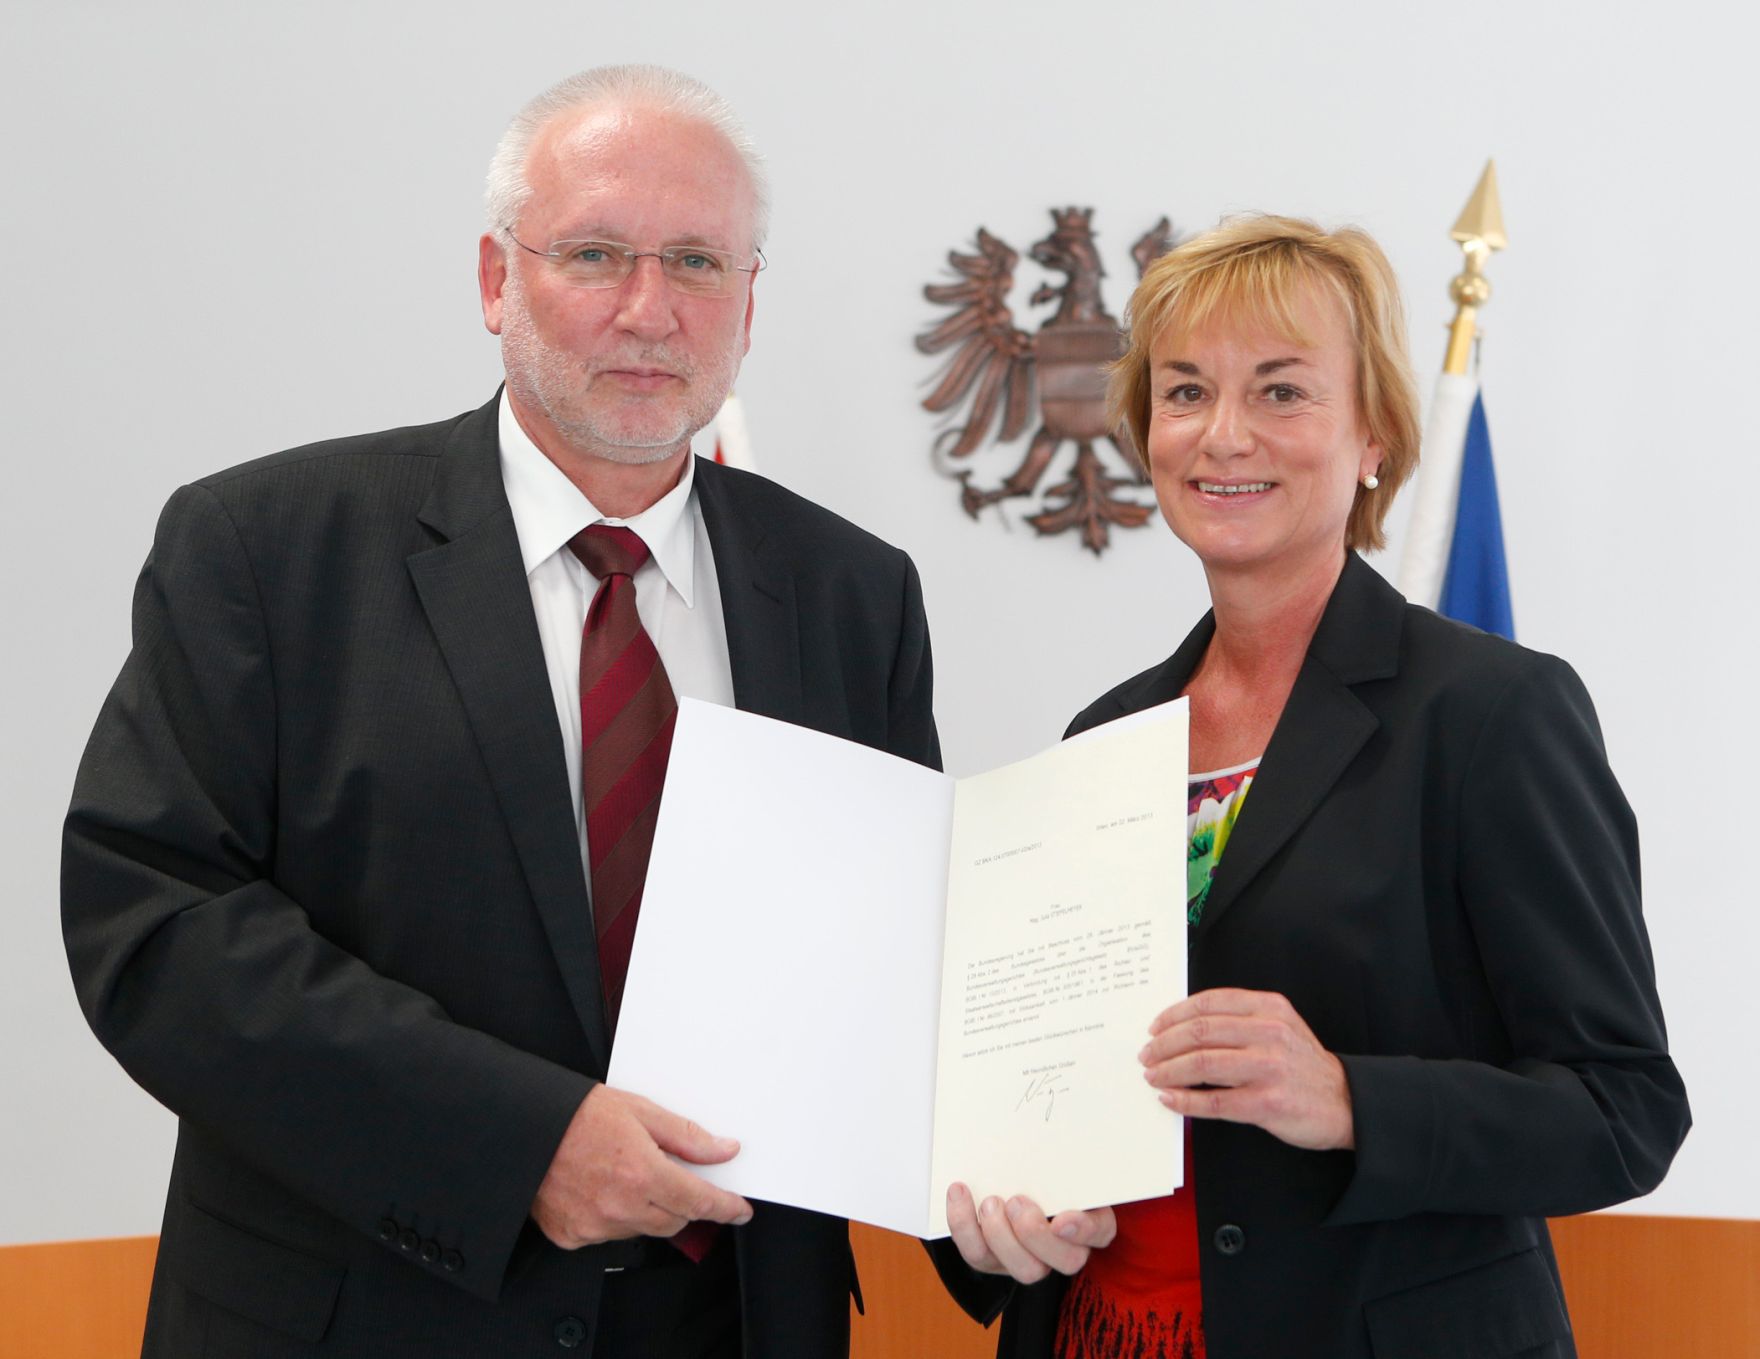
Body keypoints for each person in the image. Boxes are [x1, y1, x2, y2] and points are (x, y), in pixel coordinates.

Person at [61, 65, 936, 1358]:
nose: (649, 310)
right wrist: (521, 1139)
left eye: (697, 261)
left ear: (748, 304)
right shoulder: (266, 549)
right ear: (494, 279)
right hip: (371, 1312)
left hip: (739, 1318)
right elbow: (159, 923)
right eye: (595, 253)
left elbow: (892, 958)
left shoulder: (851, 590)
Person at [934, 215, 1689, 1358]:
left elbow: (1623, 1112)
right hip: (1096, 1332)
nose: (1222, 435)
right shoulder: (1105, 735)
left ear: (1373, 435)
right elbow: (1040, 1082)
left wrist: (1347, 1098)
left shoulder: (1488, 715)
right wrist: (989, 1219)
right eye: (1184, 393)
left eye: (1280, 393)